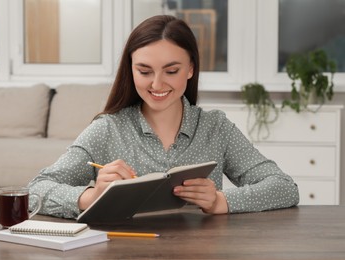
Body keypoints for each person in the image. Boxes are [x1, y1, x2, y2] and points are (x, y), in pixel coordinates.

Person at [28, 15, 299, 219]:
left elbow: (285, 187)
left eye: (171, 71)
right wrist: (92, 197)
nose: (157, 84)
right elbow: (35, 191)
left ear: (191, 69)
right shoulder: (108, 129)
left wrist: (221, 201)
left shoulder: (216, 127)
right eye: (144, 71)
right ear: (130, 70)